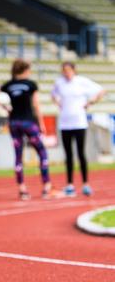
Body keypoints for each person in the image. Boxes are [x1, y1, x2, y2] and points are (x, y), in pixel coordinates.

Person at [0, 60, 51, 200]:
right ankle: (46, 186)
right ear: (25, 70)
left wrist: (6, 108)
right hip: (28, 122)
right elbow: (36, 105)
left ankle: (22, 189)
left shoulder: (9, 84)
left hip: (14, 122)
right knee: (42, 151)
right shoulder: (30, 84)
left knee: (18, 156)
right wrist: (41, 123)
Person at [52, 62, 105, 196]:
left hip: (79, 123)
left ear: (74, 70)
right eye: (64, 70)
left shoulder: (82, 81)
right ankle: (69, 184)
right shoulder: (59, 83)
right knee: (68, 155)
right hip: (65, 123)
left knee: (81, 154)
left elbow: (101, 90)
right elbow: (53, 95)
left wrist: (90, 102)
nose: (67, 73)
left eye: (69, 70)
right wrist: (58, 102)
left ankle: (85, 184)